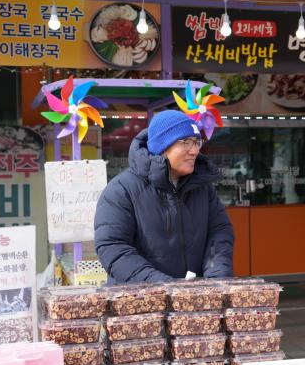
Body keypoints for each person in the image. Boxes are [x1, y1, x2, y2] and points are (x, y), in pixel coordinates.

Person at [95, 110, 233, 284]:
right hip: (139, 302)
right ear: (162, 146)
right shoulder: (121, 190)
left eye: (197, 142)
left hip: (193, 300)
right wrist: (163, 286)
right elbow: (112, 248)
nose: (195, 151)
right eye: (186, 142)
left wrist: (216, 276)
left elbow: (219, 232)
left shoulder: (202, 187)